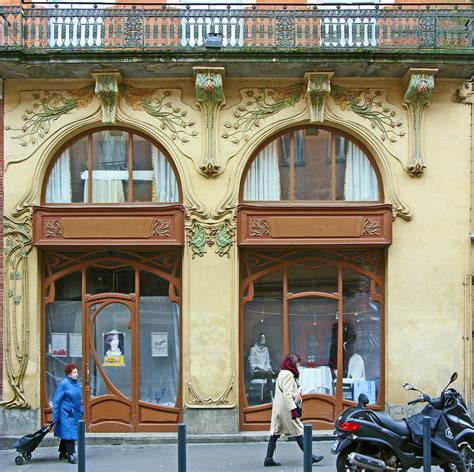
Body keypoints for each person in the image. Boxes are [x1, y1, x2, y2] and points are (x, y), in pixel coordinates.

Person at [264, 352, 324, 467]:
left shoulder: (284, 372)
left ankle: (268, 458)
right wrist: (293, 410)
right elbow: (287, 395)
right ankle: (309, 457)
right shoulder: (288, 375)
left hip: (280, 408)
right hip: (286, 409)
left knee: (276, 432)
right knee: (299, 432)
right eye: (297, 362)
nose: (298, 364)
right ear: (292, 363)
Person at [52, 363, 83, 464]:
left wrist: (81, 408)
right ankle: (71, 455)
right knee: (70, 433)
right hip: (65, 413)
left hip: (74, 413)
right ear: (68, 374)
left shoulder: (76, 383)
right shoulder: (64, 384)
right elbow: (57, 401)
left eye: (77, 372)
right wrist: (55, 416)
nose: (76, 374)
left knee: (67, 432)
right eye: (74, 372)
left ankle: (62, 453)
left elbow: (78, 399)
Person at [248, 333, 275, 398]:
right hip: (256, 372)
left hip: (265, 371)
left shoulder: (266, 349)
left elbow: (267, 362)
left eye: (264, 338)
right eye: (262, 338)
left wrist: (269, 368)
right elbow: (252, 364)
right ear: (258, 339)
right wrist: (262, 369)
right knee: (268, 374)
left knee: (274, 373)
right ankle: (271, 395)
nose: (263, 340)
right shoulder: (253, 349)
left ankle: (272, 393)